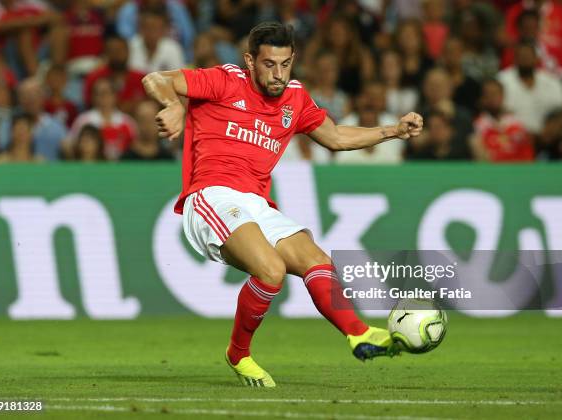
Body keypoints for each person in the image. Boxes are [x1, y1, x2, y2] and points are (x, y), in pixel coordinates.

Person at [142, 22, 423, 387]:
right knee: (270, 271)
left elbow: (335, 137)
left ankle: (358, 333)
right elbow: (155, 77)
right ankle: (238, 354)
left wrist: (392, 131)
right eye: (269, 64)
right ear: (249, 61)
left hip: (256, 203)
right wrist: (172, 105)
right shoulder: (224, 80)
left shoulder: (295, 97)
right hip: (211, 195)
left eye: (286, 64)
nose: (278, 74)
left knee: (317, 260)